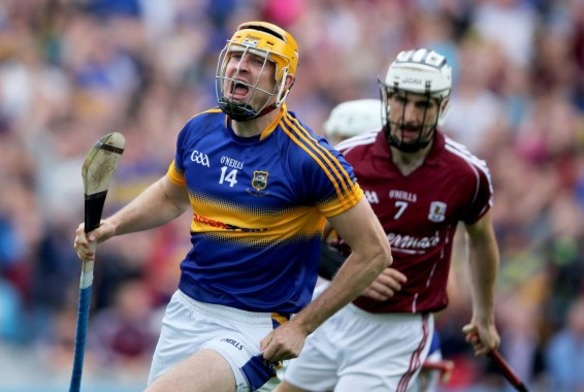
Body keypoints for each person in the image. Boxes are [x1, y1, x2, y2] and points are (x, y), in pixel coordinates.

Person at [73, 21, 392, 392]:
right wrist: (112, 226)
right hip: (186, 310)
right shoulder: (199, 131)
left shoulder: (311, 159)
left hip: (253, 327)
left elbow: (375, 252)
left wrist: (302, 325)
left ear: (283, 82)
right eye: (235, 56)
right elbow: (171, 196)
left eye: (257, 61)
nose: (240, 67)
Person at [276, 47, 501, 392]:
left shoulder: (467, 174)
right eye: (400, 101)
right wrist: (353, 272)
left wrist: (483, 317)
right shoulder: (348, 157)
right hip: (333, 309)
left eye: (423, 105)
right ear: (386, 98)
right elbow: (296, 236)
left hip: (396, 332)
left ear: (443, 107)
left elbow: (482, 240)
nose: (409, 116)